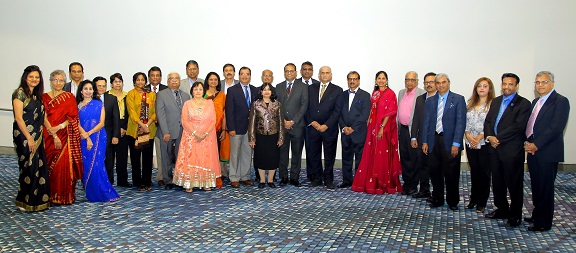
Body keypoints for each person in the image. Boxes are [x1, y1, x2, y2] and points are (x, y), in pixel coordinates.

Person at [524, 71, 570, 232]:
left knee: (545, 188)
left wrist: (536, 144)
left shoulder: (560, 101)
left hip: (547, 152)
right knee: (536, 186)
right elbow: (531, 125)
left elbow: (556, 128)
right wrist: (528, 143)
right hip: (533, 151)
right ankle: (537, 214)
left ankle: (544, 222)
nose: (540, 85)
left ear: (552, 83)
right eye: (537, 82)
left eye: (544, 82)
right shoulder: (536, 101)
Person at [483, 73, 531, 227]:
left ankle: (515, 215)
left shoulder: (523, 104)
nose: (507, 87)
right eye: (504, 84)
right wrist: (490, 136)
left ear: (516, 86)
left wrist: (498, 138)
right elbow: (489, 121)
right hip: (494, 149)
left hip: (511, 150)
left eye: (510, 84)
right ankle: (502, 209)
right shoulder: (496, 101)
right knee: (497, 182)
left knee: (514, 184)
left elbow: (518, 126)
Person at [351, 71, 402, 194]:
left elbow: (390, 113)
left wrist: (381, 128)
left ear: (387, 80)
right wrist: (369, 122)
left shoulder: (390, 94)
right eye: (379, 78)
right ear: (376, 80)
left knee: (382, 155)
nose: (381, 80)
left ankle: (382, 182)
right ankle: (371, 182)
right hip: (372, 128)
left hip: (384, 129)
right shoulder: (375, 93)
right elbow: (372, 110)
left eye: (383, 78)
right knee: (371, 153)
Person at [422, 73, 466, 211]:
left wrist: (457, 143)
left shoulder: (458, 99)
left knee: (452, 172)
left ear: (449, 83)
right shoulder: (430, 100)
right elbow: (427, 123)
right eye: (438, 83)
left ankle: (453, 200)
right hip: (434, 140)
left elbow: (460, 123)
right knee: (435, 172)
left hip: (450, 141)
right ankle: (437, 198)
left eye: (444, 82)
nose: (441, 85)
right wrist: (424, 141)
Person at [12, 65, 50, 211]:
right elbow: (19, 118)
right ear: (25, 78)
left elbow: (41, 117)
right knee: (28, 167)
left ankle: (37, 201)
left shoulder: (36, 95)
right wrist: (29, 138)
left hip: (38, 136)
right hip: (24, 136)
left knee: (38, 168)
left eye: (37, 77)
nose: (34, 80)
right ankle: (24, 200)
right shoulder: (19, 94)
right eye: (31, 77)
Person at [43, 69, 83, 205]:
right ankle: (48, 195)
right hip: (48, 135)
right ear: (50, 81)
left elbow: (72, 118)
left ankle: (63, 196)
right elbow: (43, 117)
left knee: (63, 166)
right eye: (55, 80)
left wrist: (59, 127)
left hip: (65, 136)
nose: (58, 83)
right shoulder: (44, 97)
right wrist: (53, 134)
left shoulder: (69, 97)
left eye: (61, 80)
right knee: (48, 164)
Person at [76, 80, 120, 202]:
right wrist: (86, 137)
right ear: (81, 91)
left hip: (98, 137)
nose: (88, 91)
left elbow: (101, 123)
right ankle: (90, 192)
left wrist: (89, 134)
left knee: (98, 164)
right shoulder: (77, 106)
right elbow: (76, 123)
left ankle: (104, 191)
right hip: (83, 138)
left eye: (90, 89)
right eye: (86, 89)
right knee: (86, 164)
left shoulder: (98, 104)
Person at [174, 82, 221, 192]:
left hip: (206, 137)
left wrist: (204, 134)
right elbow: (184, 121)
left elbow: (213, 120)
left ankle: (206, 182)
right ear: (192, 91)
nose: (198, 91)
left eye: (200, 89)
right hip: (191, 137)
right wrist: (195, 133)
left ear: (203, 91)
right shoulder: (187, 104)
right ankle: (189, 183)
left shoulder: (209, 103)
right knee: (191, 159)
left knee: (205, 159)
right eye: (195, 89)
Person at [305, 66, 343, 189]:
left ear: (331, 75)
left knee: (329, 156)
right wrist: (313, 122)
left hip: (329, 129)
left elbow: (337, 111)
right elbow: (305, 107)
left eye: (327, 73)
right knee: (313, 154)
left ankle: (328, 179)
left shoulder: (337, 90)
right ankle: (317, 178)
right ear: (319, 75)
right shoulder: (310, 88)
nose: (324, 75)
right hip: (313, 128)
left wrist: (326, 125)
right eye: (322, 73)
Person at [464, 77, 495, 213]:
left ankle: (482, 202)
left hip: (484, 143)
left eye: (485, 86)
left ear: (490, 89)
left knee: (484, 173)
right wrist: (469, 136)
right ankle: (473, 199)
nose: (482, 88)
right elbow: (464, 122)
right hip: (470, 142)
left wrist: (479, 137)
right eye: (479, 86)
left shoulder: (493, 105)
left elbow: (492, 124)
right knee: (474, 172)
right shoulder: (470, 103)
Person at [225, 67, 259, 188]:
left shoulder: (255, 90)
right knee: (235, 154)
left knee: (247, 153)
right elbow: (229, 111)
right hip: (236, 128)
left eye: (247, 74)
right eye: (242, 74)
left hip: (250, 129)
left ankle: (245, 176)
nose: (245, 76)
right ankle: (234, 177)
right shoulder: (232, 90)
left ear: (250, 76)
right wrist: (231, 128)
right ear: (239, 76)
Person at [276, 63, 309, 187]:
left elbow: (304, 106)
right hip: (282, 126)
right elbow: (276, 106)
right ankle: (283, 177)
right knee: (282, 153)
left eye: (291, 71)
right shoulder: (278, 87)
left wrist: (293, 121)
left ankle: (295, 178)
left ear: (296, 72)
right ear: (284, 73)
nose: (289, 73)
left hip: (297, 126)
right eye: (286, 71)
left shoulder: (303, 86)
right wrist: (283, 121)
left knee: (296, 153)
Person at [156, 72, 190, 190]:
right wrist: (165, 131)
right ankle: (168, 180)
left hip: (183, 131)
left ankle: (179, 178)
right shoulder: (161, 95)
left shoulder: (185, 95)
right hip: (167, 131)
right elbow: (160, 114)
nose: (174, 81)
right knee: (166, 156)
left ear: (180, 81)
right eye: (171, 79)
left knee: (180, 156)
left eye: (177, 78)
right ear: (167, 81)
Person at [338, 71, 370, 188]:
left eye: (355, 79)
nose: (352, 81)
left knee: (359, 159)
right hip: (345, 132)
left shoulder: (365, 95)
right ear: (347, 80)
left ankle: (359, 181)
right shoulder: (342, 95)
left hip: (359, 132)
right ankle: (347, 181)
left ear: (359, 80)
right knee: (346, 158)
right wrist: (344, 127)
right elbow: (339, 113)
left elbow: (364, 115)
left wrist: (353, 128)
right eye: (350, 79)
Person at [249, 83, 285, 188]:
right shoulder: (256, 104)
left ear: (272, 92)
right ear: (261, 92)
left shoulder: (277, 104)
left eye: (269, 90)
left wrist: (281, 137)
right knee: (261, 158)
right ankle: (262, 180)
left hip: (274, 135)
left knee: (272, 158)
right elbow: (252, 122)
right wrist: (252, 138)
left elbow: (281, 122)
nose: (266, 91)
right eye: (264, 89)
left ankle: (270, 180)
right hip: (260, 135)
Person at [126, 72, 157, 191]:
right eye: (138, 80)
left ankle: (147, 182)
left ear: (146, 81)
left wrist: (147, 124)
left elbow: (155, 112)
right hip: (134, 130)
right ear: (134, 81)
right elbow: (132, 111)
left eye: (142, 80)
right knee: (135, 157)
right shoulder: (131, 94)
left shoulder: (152, 94)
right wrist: (140, 124)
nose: (140, 82)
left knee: (147, 158)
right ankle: (137, 182)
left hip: (149, 130)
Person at [397, 71, 425, 195]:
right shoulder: (401, 93)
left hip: (413, 131)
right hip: (402, 129)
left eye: (412, 80)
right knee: (404, 158)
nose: (410, 82)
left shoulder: (421, 94)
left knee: (414, 159)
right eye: (407, 79)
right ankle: (407, 183)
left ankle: (413, 185)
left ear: (417, 81)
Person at [410, 72, 437, 199]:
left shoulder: (440, 99)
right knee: (422, 165)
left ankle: (437, 193)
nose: (428, 84)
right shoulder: (420, 99)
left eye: (431, 82)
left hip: (436, 138)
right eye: (426, 82)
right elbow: (415, 119)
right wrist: (413, 136)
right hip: (421, 138)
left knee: (435, 167)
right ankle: (424, 190)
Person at [93, 76, 121, 186]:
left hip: (108, 134)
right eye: (99, 86)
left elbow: (116, 118)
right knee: (95, 158)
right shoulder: (90, 98)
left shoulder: (111, 98)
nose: (101, 88)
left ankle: (109, 181)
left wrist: (116, 135)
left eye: (103, 86)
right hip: (93, 134)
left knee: (108, 159)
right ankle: (94, 181)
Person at [107, 73, 131, 187]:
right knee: (109, 156)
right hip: (110, 127)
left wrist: (124, 128)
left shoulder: (128, 95)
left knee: (122, 156)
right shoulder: (106, 96)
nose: (118, 83)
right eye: (115, 81)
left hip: (124, 125)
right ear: (111, 84)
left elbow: (130, 114)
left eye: (119, 81)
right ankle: (109, 180)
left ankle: (122, 180)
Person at [146, 66, 168, 186]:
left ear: (160, 77)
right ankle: (146, 178)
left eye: (157, 75)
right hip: (147, 127)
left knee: (161, 153)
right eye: (153, 75)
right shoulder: (143, 90)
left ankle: (161, 176)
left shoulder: (166, 89)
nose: (155, 78)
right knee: (147, 154)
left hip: (161, 126)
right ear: (149, 77)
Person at [204, 72, 226, 188]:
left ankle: (215, 178)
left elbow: (224, 113)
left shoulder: (222, 95)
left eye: (215, 79)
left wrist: (223, 129)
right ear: (207, 80)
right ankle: (204, 178)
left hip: (216, 130)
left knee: (215, 154)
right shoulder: (202, 94)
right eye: (211, 79)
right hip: (203, 130)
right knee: (204, 155)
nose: (213, 81)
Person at [219, 63, 238, 181]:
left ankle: (235, 172)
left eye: (231, 70)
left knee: (235, 148)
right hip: (221, 120)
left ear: (234, 73)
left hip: (235, 121)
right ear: (223, 73)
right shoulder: (218, 85)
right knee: (222, 147)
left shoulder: (239, 85)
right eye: (226, 70)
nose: (229, 72)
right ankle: (223, 172)